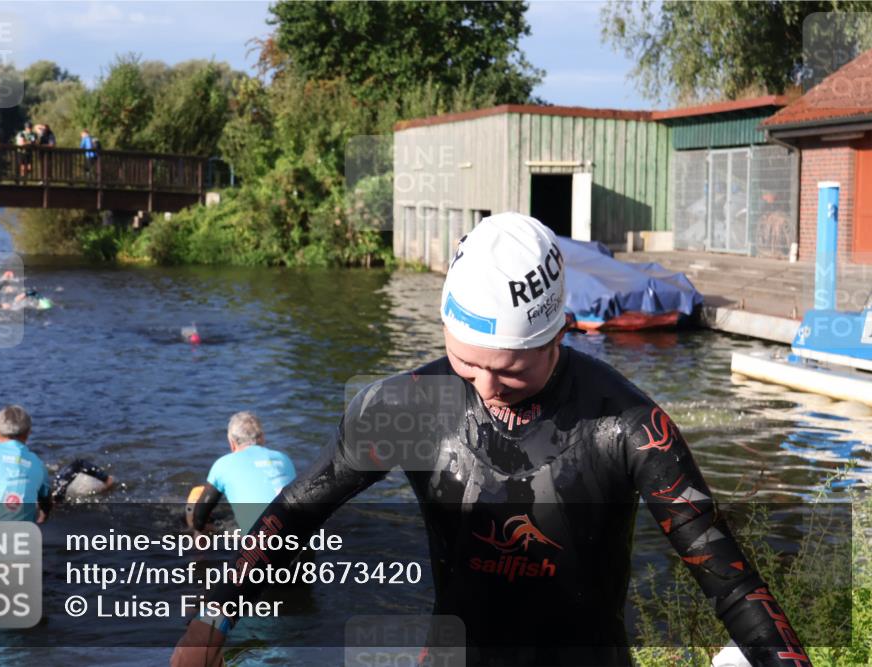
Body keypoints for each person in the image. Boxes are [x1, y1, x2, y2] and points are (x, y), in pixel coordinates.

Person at [171, 213, 811, 667]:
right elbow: (300, 507)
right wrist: (211, 616)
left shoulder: (626, 425)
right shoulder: (409, 406)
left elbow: (730, 583)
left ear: (559, 332)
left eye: (509, 370)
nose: (485, 386)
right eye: (465, 361)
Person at [185, 412, 296, 533]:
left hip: (261, 546)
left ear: (231, 442)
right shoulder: (283, 459)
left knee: (197, 523)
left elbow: (200, 518)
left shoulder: (223, 464)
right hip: (302, 536)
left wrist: (204, 528)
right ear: (263, 437)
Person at [51, 459, 115, 502]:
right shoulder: (59, 488)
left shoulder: (62, 486)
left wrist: (105, 479)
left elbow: (79, 463)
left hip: (80, 467)